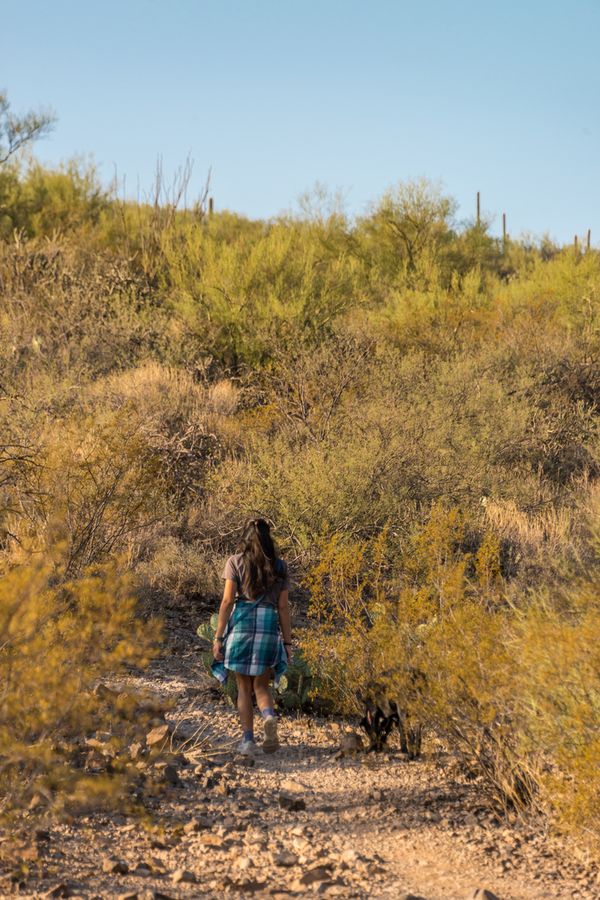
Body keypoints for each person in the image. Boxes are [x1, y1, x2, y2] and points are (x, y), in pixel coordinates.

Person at [212, 518, 292, 756]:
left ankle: (248, 741)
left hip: (241, 625)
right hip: (268, 625)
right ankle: (268, 716)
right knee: (261, 685)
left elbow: (227, 602)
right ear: (269, 540)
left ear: (245, 539)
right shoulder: (280, 567)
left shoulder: (234, 562)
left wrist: (218, 637)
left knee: (243, 687)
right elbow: (284, 607)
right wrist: (287, 642)